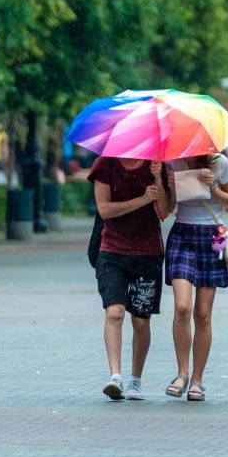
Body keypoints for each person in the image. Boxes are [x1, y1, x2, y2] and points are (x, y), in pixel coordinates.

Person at [89, 156, 171, 401]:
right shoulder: (105, 164)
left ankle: (136, 381)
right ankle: (116, 377)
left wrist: (158, 179)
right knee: (114, 312)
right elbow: (105, 209)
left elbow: (165, 211)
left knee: (141, 321)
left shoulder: (157, 164)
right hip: (112, 251)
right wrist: (142, 199)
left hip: (148, 254)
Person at [163, 152, 228, 403]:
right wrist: (168, 186)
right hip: (182, 234)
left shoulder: (219, 162)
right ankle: (181, 373)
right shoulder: (173, 161)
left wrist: (213, 187)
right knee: (183, 307)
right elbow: (167, 208)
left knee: (202, 313)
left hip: (211, 237)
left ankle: (197, 379)